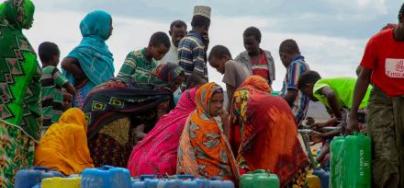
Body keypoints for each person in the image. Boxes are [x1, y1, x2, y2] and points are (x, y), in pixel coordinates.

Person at [84, 63, 184, 167]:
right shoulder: (163, 93)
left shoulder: (146, 80)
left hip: (97, 103)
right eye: (175, 83)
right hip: (107, 108)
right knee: (112, 151)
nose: (176, 88)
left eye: (179, 85)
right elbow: (160, 126)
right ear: (167, 78)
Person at [348, 3, 404, 187]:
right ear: (401, 20)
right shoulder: (378, 41)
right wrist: (353, 115)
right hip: (382, 101)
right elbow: (363, 77)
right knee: (385, 156)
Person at [231, 76, 308, 187]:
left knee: (259, 162)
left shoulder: (241, 94)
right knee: (288, 155)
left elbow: (243, 128)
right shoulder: (274, 98)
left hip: (266, 123)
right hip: (285, 118)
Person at [0, 0, 41, 186]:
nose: (32, 19)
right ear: (19, 14)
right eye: (29, 13)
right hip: (11, 123)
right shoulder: (19, 45)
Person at [298, 71, 372, 165]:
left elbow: (330, 94)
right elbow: (343, 123)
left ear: (309, 86)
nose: (307, 97)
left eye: (305, 93)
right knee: (346, 130)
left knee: (350, 134)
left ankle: (317, 161)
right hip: (368, 100)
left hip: (364, 103)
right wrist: (325, 125)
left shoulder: (318, 85)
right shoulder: (334, 89)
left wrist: (339, 117)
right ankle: (318, 160)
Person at [128, 87, 197, 176]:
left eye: (167, 101)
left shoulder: (169, 116)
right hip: (158, 166)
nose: (165, 104)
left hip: (138, 159)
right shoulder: (190, 121)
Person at [177, 83, 239, 181]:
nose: (219, 105)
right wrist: (226, 123)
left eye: (221, 101)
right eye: (214, 101)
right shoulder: (205, 124)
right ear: (204, 100)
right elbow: (222, 155)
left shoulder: (198, 116)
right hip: (210, 178)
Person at [61, 10, 114, 107]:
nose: (112, 28)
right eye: (109, 24)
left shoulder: (103, 49)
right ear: (99, 26)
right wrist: (82, 75)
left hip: (101, 99)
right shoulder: (87, 47)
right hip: (86, 98)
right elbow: (66, 63)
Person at [34, 108, 94, 175]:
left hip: (40, 161)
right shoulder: (78, 129)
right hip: (56, 165)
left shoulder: (54, 126)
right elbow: (83, 156)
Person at [39, 42, 75, 129]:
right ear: (55, 57)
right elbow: (70, 88)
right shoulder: (53, 71)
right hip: (53, 118)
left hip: (42, 118)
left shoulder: (40, 72)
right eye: (59, 57)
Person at [178, 5, 211, 89]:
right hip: (193, 93)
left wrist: (205, 46)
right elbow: (197, 75)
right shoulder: (198, 44)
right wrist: (209, 87)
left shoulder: (183, 40)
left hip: (182, 90)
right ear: (206, 27)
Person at [208, 45, 250, 110]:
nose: (217, 70)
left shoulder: (229, 64)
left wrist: (228, 114)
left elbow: (231, 97)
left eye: (217, 66)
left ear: (225, 58)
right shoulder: (242, 66)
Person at [279, 39, 310, 124]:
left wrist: (275, 104)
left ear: (283, 56)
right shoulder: (304, 65)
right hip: (298, 115)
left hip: (292, 114)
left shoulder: (295, 65)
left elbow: (292, 93)